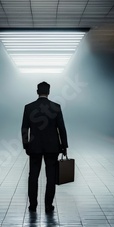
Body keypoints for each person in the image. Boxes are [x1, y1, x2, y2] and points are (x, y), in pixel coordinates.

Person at [21, 81, 68, 213]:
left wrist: (26, 145)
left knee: (33, 176)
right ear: (49, 92)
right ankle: (48, 205)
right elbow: (61, 129)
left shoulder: (29, 107)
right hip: (52, 148)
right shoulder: (56, 107)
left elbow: (24, 128)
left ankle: (33, 206)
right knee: (51, 177)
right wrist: (64, 146)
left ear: (37, 92)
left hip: (34, 147)